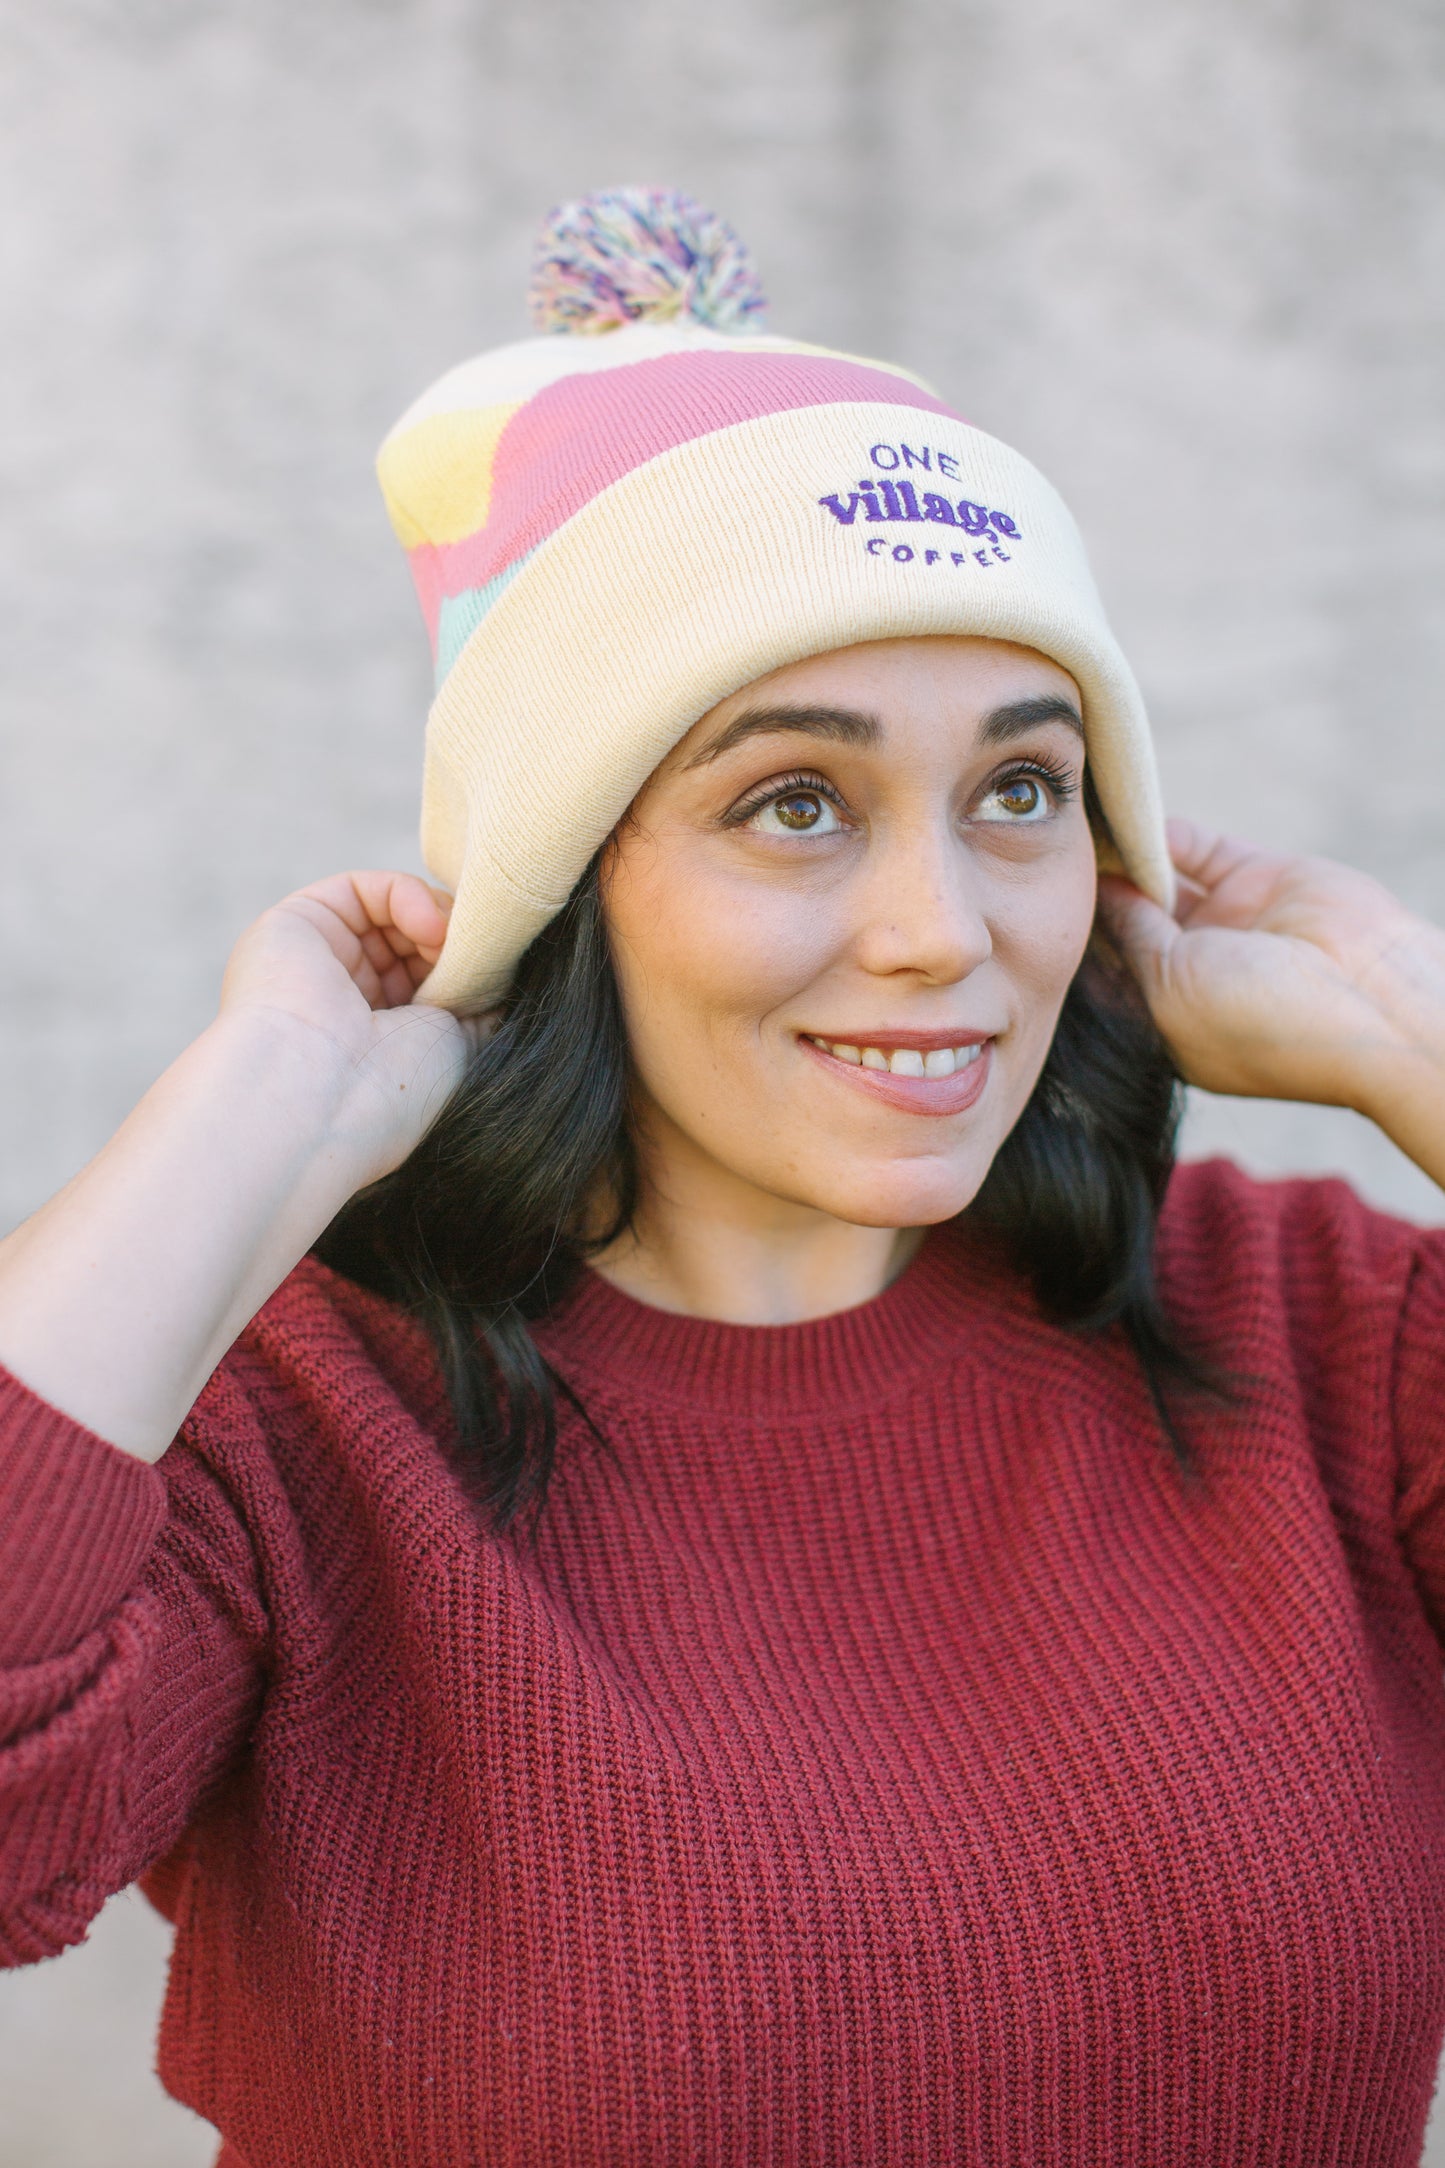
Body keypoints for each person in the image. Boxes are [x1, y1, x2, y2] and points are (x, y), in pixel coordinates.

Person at [2, 186, 1444, 2168]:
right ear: (569, 867)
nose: (945, 930)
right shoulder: (290, 1414)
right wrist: (272, 1099)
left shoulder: (1327, 1337)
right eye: (794, 802)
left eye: (1021, 788)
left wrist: (1409, 1025)